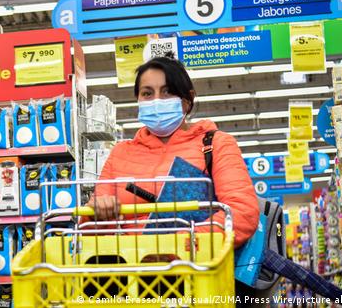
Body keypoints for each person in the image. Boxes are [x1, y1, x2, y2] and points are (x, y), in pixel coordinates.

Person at [88, 54, 260, 248]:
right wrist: (96, 213)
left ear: (187, 99)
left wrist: (179, 245)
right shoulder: (120, 153)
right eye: (147, 93)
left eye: (167, 92)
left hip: (195, 267)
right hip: (129, 270)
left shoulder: (215, 144)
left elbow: (241, 212)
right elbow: (89, 227)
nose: (156, 100)